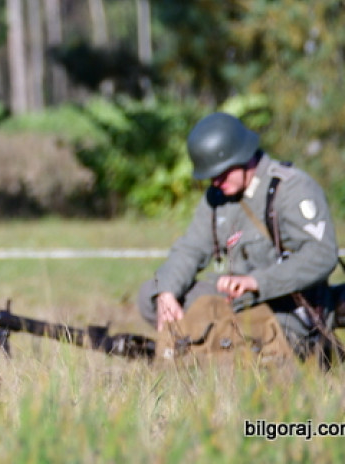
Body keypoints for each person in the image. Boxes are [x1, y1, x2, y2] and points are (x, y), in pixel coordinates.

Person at [137, 111, 340, 358]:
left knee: (250, 344)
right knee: (151, 295)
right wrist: (166, 293)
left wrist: (256, 282)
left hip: (287, 304)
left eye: (222, 173)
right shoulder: (217, 196)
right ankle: (202, 341)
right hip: (234, 300)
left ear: (242, 157)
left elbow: (322, 254)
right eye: (211, 176)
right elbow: (190, 248)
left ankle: (208, 344)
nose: (216, 181)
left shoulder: (291, 188)